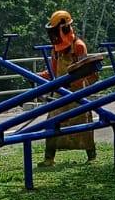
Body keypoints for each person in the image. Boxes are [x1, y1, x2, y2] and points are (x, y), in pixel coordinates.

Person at [41, 10, 97, 166]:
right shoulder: (55, 50)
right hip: (60, 92)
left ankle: (91, 156)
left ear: (65, 29)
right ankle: (49, 158)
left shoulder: (78, 46)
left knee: (83, 122)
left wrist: (73, 81)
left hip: (77, 92)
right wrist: (39, 76)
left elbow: (85, 70)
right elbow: (52, 71)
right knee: (52, 121)